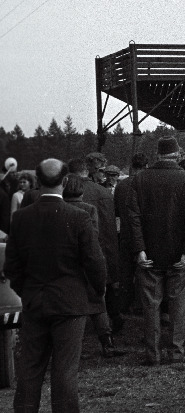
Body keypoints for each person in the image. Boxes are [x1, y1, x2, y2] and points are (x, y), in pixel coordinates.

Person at [4, 159, 107, 412]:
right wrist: (96, 290)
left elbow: (12, 267)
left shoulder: (21, 218)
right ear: (64, 182)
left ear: (38, 182)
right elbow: (95, 261)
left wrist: (26, 291)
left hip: (35, 301)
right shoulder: (80, 217)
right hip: (70, 304)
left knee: (29, 369)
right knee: (65, 371)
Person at [128, 136, 185, 365]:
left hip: (148, 255)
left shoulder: (139, 179)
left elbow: (133, 218)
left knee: (151, 307)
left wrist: (139, 249)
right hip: (178, 255)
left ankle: (153, 354)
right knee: (178, 305)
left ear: (158, 154)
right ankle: (177, 351)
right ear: (177, 154)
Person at [67, 157, 124, 353]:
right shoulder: (104, 192)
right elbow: (110, 228)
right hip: (100, 252)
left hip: (72, 257)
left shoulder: (64, 197)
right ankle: (107, 339)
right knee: (98, 298)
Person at [114, 153, 148, 314]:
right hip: (145, 234)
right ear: (146, 166)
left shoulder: (121, 185)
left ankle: (123, 306)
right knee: (146, 273)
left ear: (131, 167)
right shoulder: (147, 183)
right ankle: (143, 305)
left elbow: (116, 211)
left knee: (126, 274)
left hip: (126, 234)